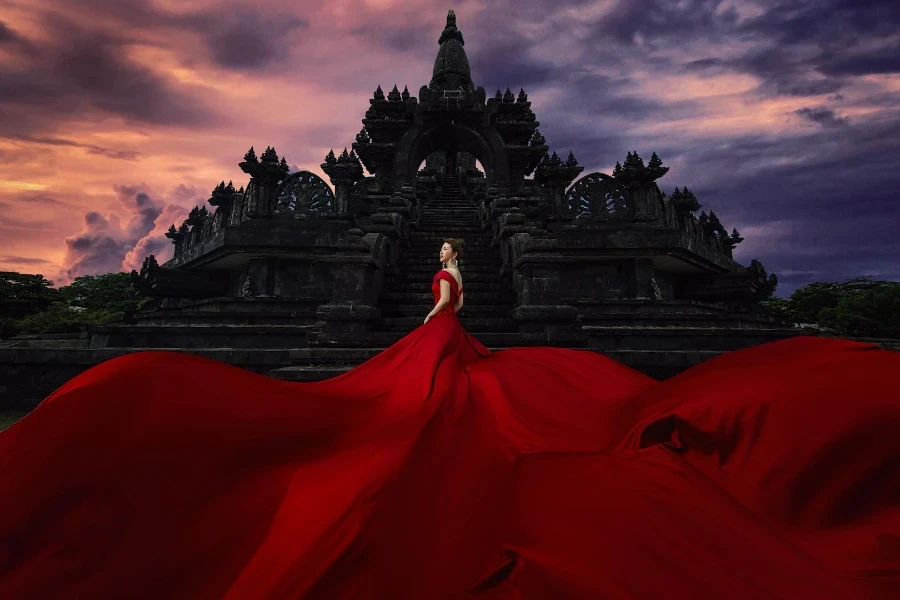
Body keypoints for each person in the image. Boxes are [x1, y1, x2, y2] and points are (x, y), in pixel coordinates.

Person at [0, 237, 898, 599]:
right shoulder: (439, 268)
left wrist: (440, 317)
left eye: (442, 256)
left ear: (446, 261)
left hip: (442, 333)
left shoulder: (451, 276)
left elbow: (445, 306)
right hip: (443, 332)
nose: (439, 256)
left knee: (418, 400)